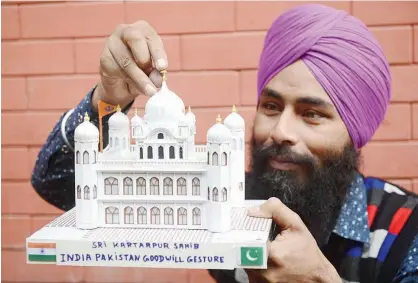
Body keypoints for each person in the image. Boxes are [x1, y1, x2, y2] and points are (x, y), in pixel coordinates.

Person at [31, 4, 417, 283]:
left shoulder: (404, 232)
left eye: (311, 113)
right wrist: (110, 98)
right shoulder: (230, 198)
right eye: (270, 105)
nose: (279, 130)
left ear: (355, 131)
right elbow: (57, 180)